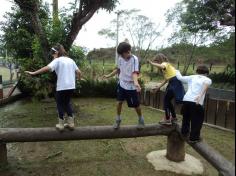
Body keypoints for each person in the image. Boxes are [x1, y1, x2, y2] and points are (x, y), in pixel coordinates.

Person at [25, 44, 81, 131]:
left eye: (53, 54)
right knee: (67, 103)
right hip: (71, 86)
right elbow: (79, 72)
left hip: (62, 87)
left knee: (59, 104)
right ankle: (71, 123)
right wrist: (78, 79)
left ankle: (61, 125)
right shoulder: (71, 60)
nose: (52, 56)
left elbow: (47, 68)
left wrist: (33, 73)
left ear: (56, 52)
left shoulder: (57, 60)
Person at [103, 42, 145, 129]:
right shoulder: (120, 58)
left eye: (123, 54)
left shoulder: (134, 59)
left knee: (136, 105)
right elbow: (118, 69)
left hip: (131, 85)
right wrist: (108, 75)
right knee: (119, 102)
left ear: (128, 51)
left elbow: (134, 73)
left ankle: (141, 119)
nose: (121, 56)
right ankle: (118, 119)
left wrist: (136, 84)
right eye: (120, 55)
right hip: (122, 83)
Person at [176, 65, 212, 143]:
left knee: (186, 117)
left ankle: (184, 132)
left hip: (186, 100)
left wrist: (177, 71)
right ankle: (194, 138)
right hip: (196, 102)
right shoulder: (207, 79)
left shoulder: (192, 77)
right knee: (197, 120)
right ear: (206, 73)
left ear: (197, 72)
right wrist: (200, 95)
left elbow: (180, 78)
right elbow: (206, 84)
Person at [148, 53, 185, 125]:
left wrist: (152, 63)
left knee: (166, 100)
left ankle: (167, 118)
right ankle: (173, 117)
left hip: (174, 83)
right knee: (167, 100)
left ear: (159, 60)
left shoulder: (165, 64)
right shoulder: (166, 69)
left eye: (156, 62)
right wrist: (158, 87)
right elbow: (166, 80)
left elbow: (162, 66)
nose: (156, 65)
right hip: (173, 82)